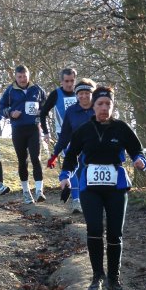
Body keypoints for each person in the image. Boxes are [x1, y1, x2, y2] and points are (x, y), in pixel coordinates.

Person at [59, 86, 146, 290]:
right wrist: (65, 177)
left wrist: (140, 161)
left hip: (116, 188)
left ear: (112, 106)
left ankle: (114, 279)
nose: (104, 108)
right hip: (90, 188)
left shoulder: (122, 128)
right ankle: (97, 276)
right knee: (94, 230)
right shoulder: (84, 130)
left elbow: (138, 151)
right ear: (93, 106)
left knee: (115, 234)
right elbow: (71, 157)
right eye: (100, 104)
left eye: (108, 104)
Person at [47, 78, 96, 213]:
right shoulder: (71, 111)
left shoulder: (99, 109)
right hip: (77, 150)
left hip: (97, 151)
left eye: (87, 93)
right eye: (81, 93)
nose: (84, 96)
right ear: (77, 95)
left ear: (92, 94)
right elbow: (64, 136)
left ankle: (95, 202)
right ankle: (76, 201)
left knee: (89, 177)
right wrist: (54, 155)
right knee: (73, 173)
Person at [0, 65, 47, 204]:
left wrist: (42, 111)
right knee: (22, 160)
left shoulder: (37, 89)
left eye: (24, 76)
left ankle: (39, 191)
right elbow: (1, 108)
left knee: (35, 158)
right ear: (15, 77)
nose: (22, 79)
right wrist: (10, 113)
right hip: (18, 129)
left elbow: (46, 104)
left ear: (29, 75)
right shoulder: (9, 91)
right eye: (19, 77)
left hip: (33, 128)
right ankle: (26, 192)